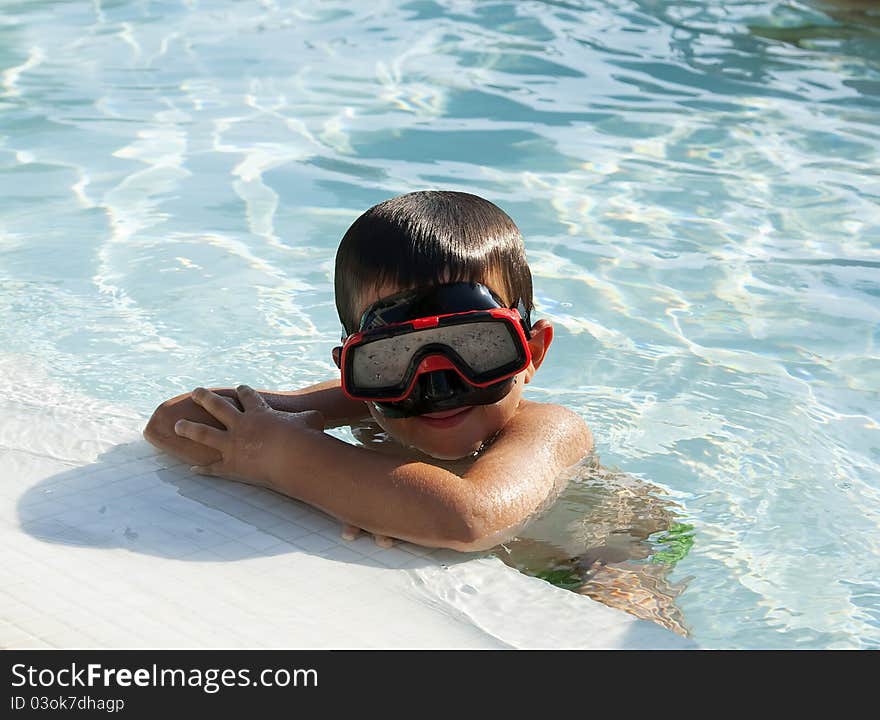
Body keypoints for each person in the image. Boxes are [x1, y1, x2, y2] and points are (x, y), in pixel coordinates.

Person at [143, 190, 690, 633]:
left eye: (476, 347)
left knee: (626, 623)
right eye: (393, 357)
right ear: (356, 369)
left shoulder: (550, 429)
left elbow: (468, 517)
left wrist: (290, 459)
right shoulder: (363, 400)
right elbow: (177, 425)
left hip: (595, 555)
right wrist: (305, 460)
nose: (438, 380)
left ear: (533, 352)